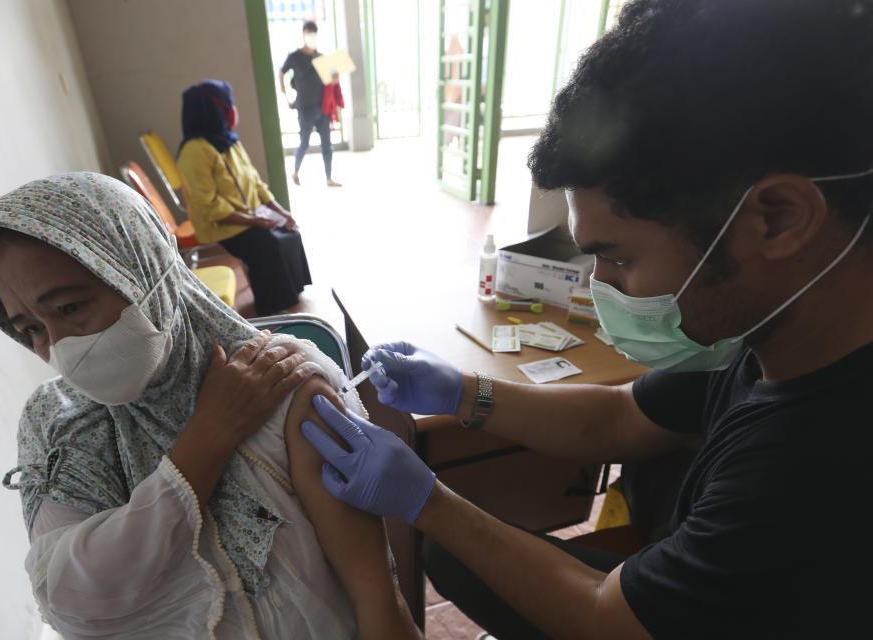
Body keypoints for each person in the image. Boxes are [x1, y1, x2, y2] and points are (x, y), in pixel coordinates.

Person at [300, 1, 873, 638]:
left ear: (778, 219)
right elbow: (620, 415)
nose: (599, 283)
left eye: (619, 256)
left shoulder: (817, 462)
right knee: (451, 555)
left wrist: (427, 500)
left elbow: (610, 621)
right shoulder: (775, 329)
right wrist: (464, 392)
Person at [0, 173, 421, 639]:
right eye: (30, 329)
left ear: (143, 271)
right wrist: (207, 439)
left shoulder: (281, 385)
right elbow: (72, 599)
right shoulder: (60, 424)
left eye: (70, 307)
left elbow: (377, 599)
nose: (60, 347)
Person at [176, 79, 312, 317]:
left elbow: (255, 181)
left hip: (249, 214)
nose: (233, 111)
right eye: (227, 107)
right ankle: (271, 306)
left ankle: (290, 293)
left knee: (290, 230)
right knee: (266, 244)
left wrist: (279, 211)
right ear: (211, 111)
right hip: (221, 224)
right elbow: (209, 204)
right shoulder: (194, 151)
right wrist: (253, 221)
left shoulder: (228, 139)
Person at [279, 20, 341, 187]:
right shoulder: (294, 57)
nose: (311, 37)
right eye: (308, 34)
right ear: (303, 34)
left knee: (327, 145)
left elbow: (330, 82)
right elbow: (281, 72)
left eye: (313, 34)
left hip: (323, 108)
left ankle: (329, 178)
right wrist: (286, 97)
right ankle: (295, 172)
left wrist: (335, 79)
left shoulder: (320, 57)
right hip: (305, 108)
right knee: (304, 143)